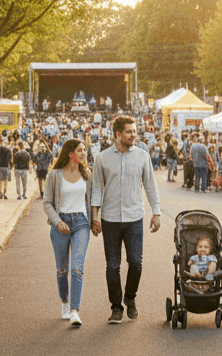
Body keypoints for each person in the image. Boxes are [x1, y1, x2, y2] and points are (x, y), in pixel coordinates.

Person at [91, 116, 161, 324]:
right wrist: (95, 216)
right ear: (117, 134)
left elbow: (150, 185)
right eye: (129, 132)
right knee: (112, 265)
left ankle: (130, 297)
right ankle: (116, 307)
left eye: (134, 131)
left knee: (136, 263)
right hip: (110, 219)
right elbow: (97, 188)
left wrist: (156, 212)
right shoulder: (102, 158)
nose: (134, 135)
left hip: (134, 218)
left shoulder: (142, 156)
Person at [44, 138, 93, 326]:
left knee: (77, 268)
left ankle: (74, 310)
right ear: (70, 153)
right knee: (62, 269)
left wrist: (94, 220)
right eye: (80, 150)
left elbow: (92, 199)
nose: (83, 153)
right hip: (60, 223)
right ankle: (64, 302)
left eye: (84, 150)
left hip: (81, 222)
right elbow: (47, 202)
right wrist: (57, 222)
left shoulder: (87, 174)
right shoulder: (54, 175)